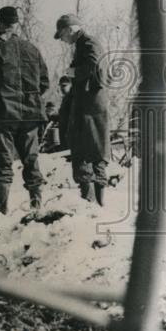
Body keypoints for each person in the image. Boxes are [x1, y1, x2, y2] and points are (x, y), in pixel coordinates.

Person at [0, 6, 50, 214]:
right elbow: (44, 82)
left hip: (4, 114)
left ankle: (1, 204)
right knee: (31, 158)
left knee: (3, 160)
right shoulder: (32, 49)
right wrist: (31, 99)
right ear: (16, 24)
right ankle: (36, 203)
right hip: (31, 114)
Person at [55, 14, 110, 206]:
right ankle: (94, 203)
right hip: (89, 106)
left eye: (61, 34)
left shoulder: (88, 43)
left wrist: (74, 73)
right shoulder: (83, 44)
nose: (62, 39)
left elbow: (96, 68)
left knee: (86, 152)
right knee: (93, 151)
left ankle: (91, 203)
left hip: (89, 107)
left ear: (70, 29)